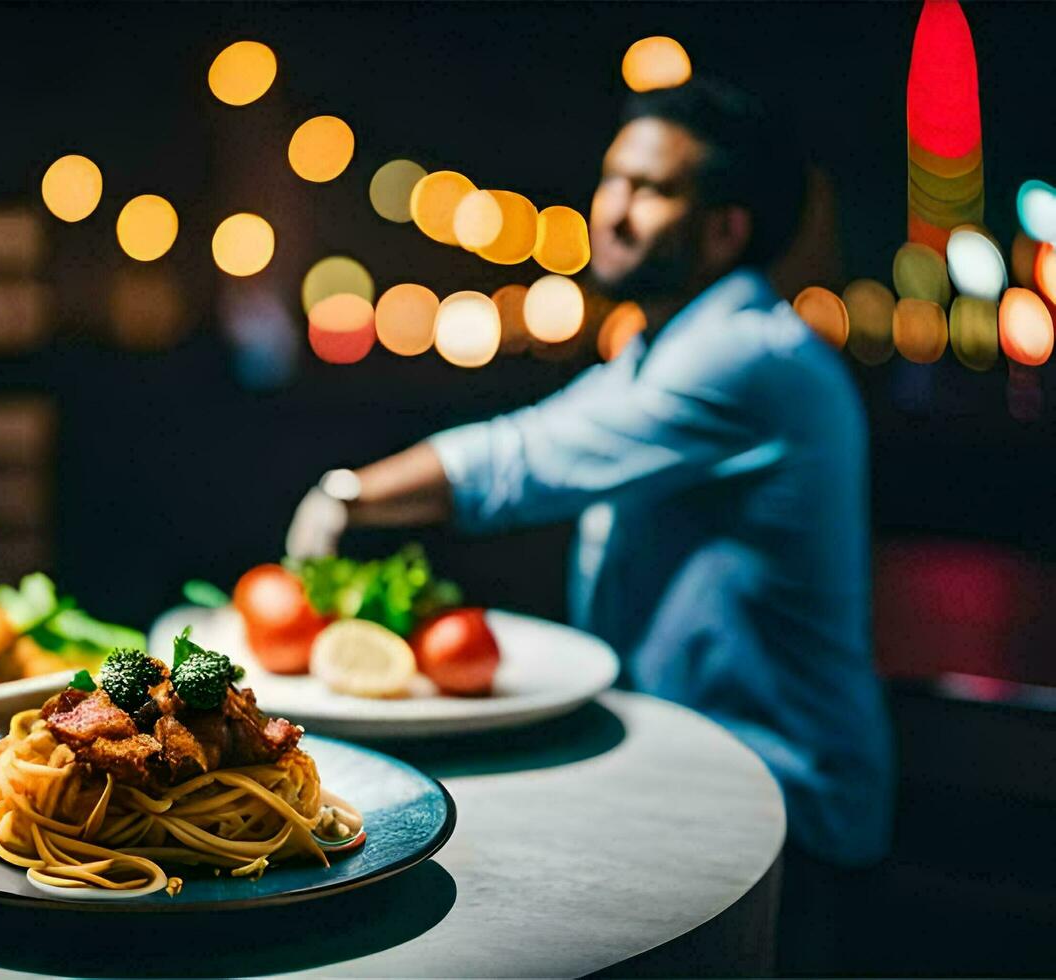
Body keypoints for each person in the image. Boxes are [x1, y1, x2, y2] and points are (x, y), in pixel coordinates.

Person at [285, 77, 893, 869]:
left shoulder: (748, 357)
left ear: (724, 230)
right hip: (705, 781)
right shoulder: (659, 349)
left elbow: (530, 455)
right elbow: (534, 434)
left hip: (787, 804)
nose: (611, 208)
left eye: (651, 190)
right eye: (613, 177)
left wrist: (348, 497)